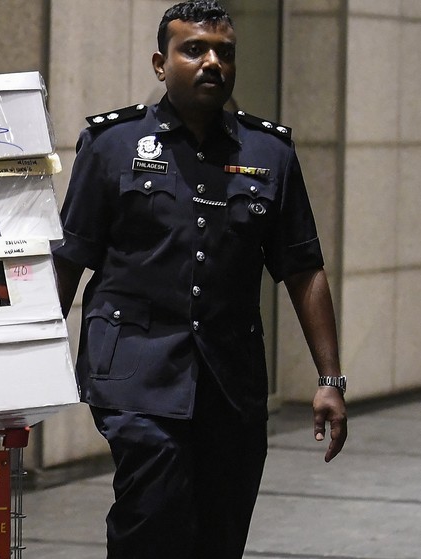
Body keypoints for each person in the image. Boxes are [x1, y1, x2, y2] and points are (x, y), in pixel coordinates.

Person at [52, 1, 348, 557]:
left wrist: (330, 379)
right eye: (194, 50)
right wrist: (28, 370)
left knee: (220, 532)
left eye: (224, 53)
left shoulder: (270, 153)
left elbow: (303, 268)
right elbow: (70, 258)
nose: (212, 62)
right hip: (135, 374)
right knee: (153, 520)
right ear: (161, 64)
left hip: (231, 383)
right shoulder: (113, 145)